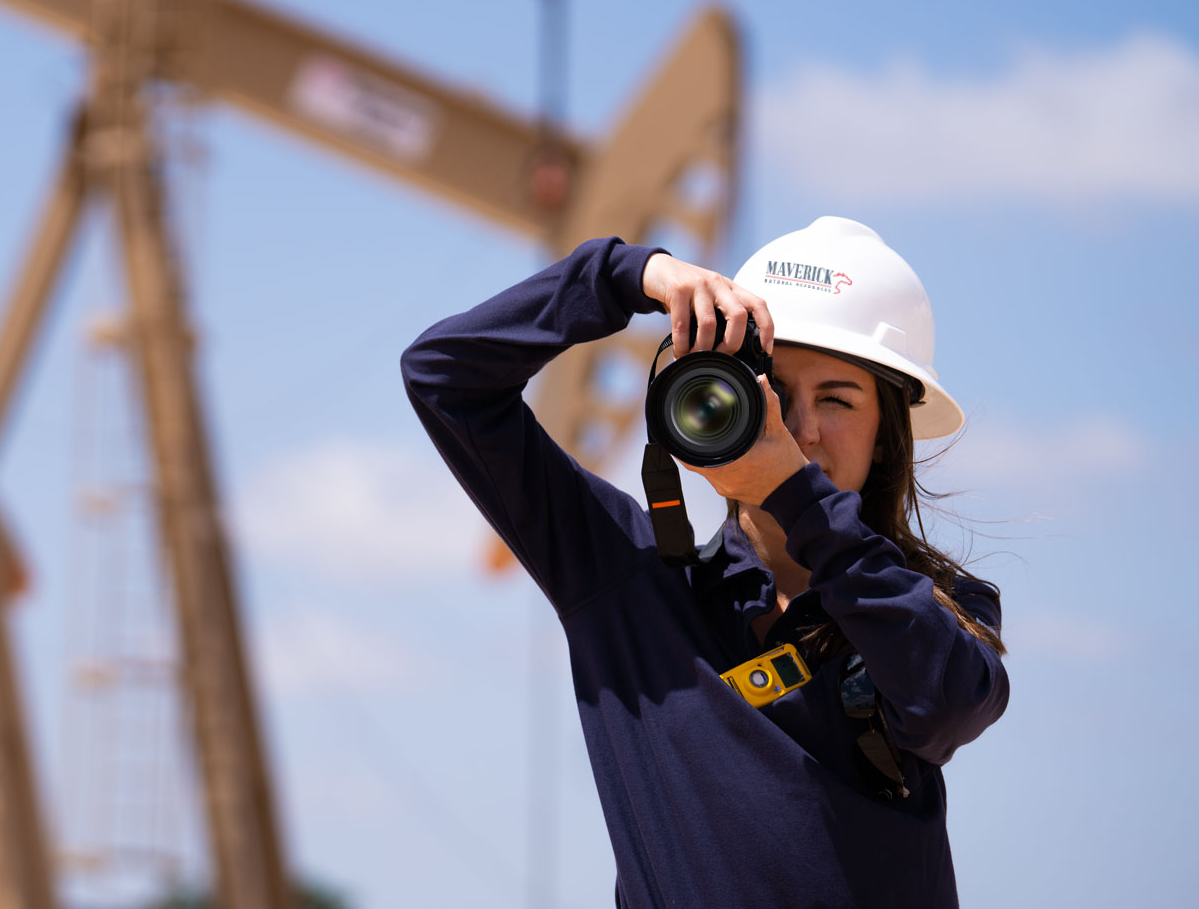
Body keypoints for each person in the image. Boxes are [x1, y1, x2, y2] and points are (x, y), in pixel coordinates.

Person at [401, 217, 1008, 908]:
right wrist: (627, 275)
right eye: (773, 392)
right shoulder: (628, 582)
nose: (800, 428)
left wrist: (791, 492)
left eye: (837, 399)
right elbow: (442, 375)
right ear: (716, 401)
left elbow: (948, 704)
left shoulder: (936, 604)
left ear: (886, 431)